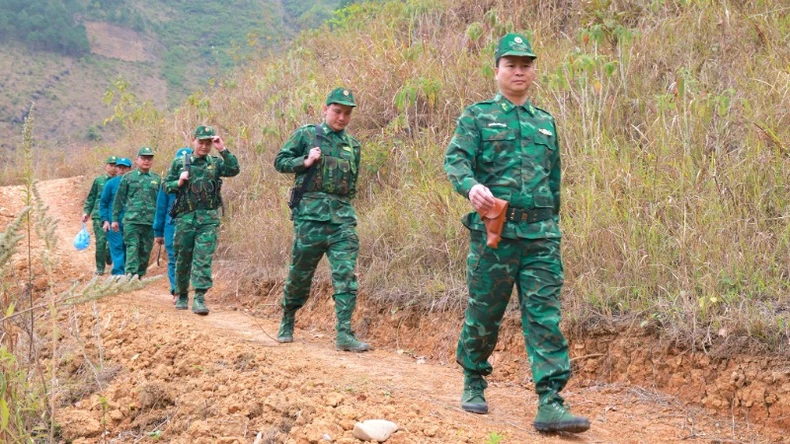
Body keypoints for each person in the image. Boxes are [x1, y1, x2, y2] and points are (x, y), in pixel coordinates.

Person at [444, 33, 589, 433]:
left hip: (541, 234)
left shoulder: (546, 122)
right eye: (511, 64)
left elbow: (554, 179)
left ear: (533, 70)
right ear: (497, 70)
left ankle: (551, 401)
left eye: (525, 64)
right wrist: (470, 187)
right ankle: (474, 379)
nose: (519, 70)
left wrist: (555, 226)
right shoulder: (477, 116)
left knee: (545, 316)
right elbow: (455, 159)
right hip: (496, 233)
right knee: (486, 310)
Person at [273, 87, 369, 352]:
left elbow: (352, 185)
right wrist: (305, 162)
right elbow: (280, 161)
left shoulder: (353, 146)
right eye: (337, 112)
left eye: (347, 114)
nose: (341, 118)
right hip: (310, 220)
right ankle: (287, 319)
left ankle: (344, 334)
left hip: (343, 220)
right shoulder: (306, 135)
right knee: (300, 274)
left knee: (346, 275)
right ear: (325, 109)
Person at [164, 126, 239, 315]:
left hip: (208, 219)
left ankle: (199, 297)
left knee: (203, 258)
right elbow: (165, 186)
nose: (205, 147)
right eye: (201, 142)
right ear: (193, 140)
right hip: (185, 218)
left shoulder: (215, 163)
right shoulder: (179, 163)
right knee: (183, 258)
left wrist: (223, 149)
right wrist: (178, 182)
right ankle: (181, 294)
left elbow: (234, 169)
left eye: (208, 143)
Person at [111, 147, 161, 278]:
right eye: (143, 158)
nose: (146, 161)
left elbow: (161, 202)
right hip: (131, 220)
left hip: (149, 221)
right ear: (137, 160)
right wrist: (115, 219)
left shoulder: (156, 178)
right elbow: (119, 199)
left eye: (149, 158)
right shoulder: (128, 177)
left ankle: (139, 275)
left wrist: (160, 222)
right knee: (132, 246)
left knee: (145, 250)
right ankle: (130, 274)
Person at [154, 147, 193, 302]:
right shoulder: (168, 184)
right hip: (171, 226)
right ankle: (176, 290)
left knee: (188, 259)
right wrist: (158, 232)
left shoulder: (198, 182)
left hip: (191, 226)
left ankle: (185, 289)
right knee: (173, 258)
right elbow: (161, 207)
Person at [82, 155, 117, 275]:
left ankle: (109, 255)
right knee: (101, 241)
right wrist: (87, 211)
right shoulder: (99, 181)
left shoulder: (121, 181)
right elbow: (91, 197)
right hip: (98, 215)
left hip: (114, 215)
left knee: (113, 241)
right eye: (111, 165)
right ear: (106, 166)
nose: (113, 168)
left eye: (115, 166)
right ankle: (100, 268)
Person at [100, 157, 132, 276]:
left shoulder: (134, 183)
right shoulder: (110, 184)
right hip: (114, 221)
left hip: (130, 221)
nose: (121, 170)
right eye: (119, 167)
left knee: (127, 247)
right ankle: (118, 274)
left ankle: (128, 272)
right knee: (117, 246)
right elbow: (103, 203)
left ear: (129, 169)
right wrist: (105, 220)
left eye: (124, 167)